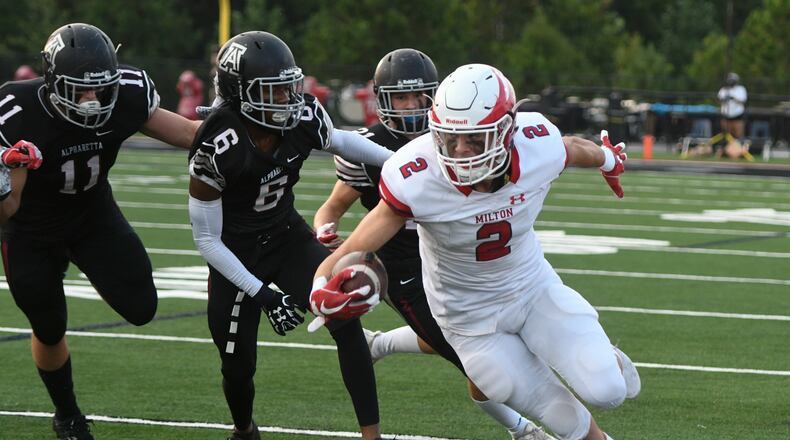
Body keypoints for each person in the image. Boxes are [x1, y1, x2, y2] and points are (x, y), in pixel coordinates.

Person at [312, 64, 640, 440]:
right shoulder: (419, 174)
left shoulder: (535, 145)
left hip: (531, 288)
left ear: (506, 132)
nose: (461, 151)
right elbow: (357, 243)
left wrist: (610, 160)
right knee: (519, 396)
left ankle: (608, 359)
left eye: (474, 140)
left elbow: (573, 149)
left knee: (608, 391)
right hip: (468, 318)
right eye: (451, 139)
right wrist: (321, 283)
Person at [187, 31, 394, 440]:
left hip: (285, 236)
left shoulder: (301, 117)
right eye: (273, 91)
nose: (286, 100)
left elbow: (340, 141)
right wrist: (261, 293)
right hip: (235, 253)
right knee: (237, 365)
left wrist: (402, 166)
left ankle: (372, 437)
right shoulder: (217, 145)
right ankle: (244, 429)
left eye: (288, 88)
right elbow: (207, 240)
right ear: (238, 93)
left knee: (344, 320)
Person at [0, 23, 201, 440]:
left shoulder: (126, 92)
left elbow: (186, 134)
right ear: (53, 83)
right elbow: (9, 210)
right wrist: (7, 174)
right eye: (80, 90)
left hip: (93, 216)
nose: (92, 100)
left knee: (142, 306)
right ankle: (67, 414)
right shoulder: (18, 112)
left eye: (100, 89)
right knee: (49, 325)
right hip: (30, 231)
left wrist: (239, 132)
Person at [716, 72, 749, 159]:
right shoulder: (724, 90)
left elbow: (743, 101)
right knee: (727, 135)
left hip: (737, 115)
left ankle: (740, 151)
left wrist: (733, 98)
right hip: (726, 115)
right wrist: (724, 99)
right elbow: (718, 100)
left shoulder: (741, 89)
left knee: (738, 135)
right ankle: (725, 151)